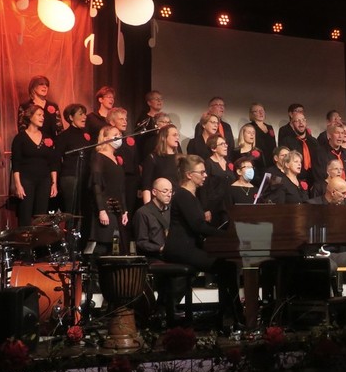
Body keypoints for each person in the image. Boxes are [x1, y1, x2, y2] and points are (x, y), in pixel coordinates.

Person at [163, 154, 242, 327]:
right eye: (202, 172)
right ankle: (230, 314)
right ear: (189, 175)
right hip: (181, 249)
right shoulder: (183, 196)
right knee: (226, 266)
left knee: (227, 265)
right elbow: (198, 226)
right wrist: (227, 236)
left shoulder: (192, 196)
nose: (205, 175)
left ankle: (229, 313)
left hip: (189, 246)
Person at [132, 178, 183, 324]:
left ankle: (167, 306)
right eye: (165, 191)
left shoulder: (172, 211)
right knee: (170, 273)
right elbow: (141, 242)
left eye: (171, 192)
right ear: (154, 192)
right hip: (153, 256)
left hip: (170, 254)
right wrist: (159, 248)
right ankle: (164, 308)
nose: (169, 195)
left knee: (191, 269)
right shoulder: (143, 213)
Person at [11, 103, 60, 226]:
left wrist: (54, 183)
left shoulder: (47, 138)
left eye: (43, 115)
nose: (42, 117)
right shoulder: (20, 138)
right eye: (39, 115)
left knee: (41, 217)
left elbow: (53, 162)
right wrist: (18, 185)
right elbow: (16, 163)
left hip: (44, 180)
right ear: (30, 116)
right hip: (26, 180)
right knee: (25, 215)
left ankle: (39, 245)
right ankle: (24, 244)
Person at [88, 125, 127, 257]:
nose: (119, 137)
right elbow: (96, 184)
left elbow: (121, 187)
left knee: (116, 244)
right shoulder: (99, 157)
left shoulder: (117, 159)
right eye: (115, 134)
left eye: (120, 135)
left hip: (117, 208)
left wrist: (124, 210)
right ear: (105, 138)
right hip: (105, 206)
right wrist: (101, 210)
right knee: (104, 242)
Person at [55, 103, 91, 215]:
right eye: (80, 114)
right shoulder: (64, 136)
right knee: (72, 211)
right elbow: (56, 159)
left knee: (85, 210)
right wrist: (55, 182)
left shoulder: (87, 135)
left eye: (85, 114)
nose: (84, 117)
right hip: (70, 177)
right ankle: (70, 232)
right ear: (70, 117)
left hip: (86, 177)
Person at [107, 107, 140, 217]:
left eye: (125, 119)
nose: (125, 122)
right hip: (114, 180)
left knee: (129, 211)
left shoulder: (129, 139)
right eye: (121, 119)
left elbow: (136, 163)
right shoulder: (107, 140)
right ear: (112, 122)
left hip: (130, 181)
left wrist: (138, 184)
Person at [141, 124, 181, 204]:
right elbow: (146, 186)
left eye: (178, 135)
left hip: (177, 202)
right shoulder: (153, 158)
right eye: (174, 135)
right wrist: (149, 211)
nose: (177, 137)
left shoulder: (179, 158)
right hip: (160, 203)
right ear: (163, 138)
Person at [17, 75, 63, 139]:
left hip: (51, 144)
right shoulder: (25, 106)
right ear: (33, 87)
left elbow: (60, 129)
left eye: (47, 85)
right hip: (32, 145)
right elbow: (22, 130)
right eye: (41, 84)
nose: (45, 87)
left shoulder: (53, 106)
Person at [314, 122, 346, 190]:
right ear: (329, 135)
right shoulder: (320, 153)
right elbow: (320, 176)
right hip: (328, 191)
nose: (340, 136)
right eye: (337, 133)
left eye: (342, 133)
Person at [280, 111, 318, 185]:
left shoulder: (314, 142)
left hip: (313, 181)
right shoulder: (286, 141)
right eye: (297, 121)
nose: (301, 123)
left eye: (303, 120)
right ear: (292, 124)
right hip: (295, 180)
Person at [135, 90, 164, 159]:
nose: (159, 101)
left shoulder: (165, 119)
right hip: (148, 155)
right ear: (149, 103)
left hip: (163, 154)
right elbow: (139, 141)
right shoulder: (144, 119)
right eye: (156, 99)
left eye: (161, 99)